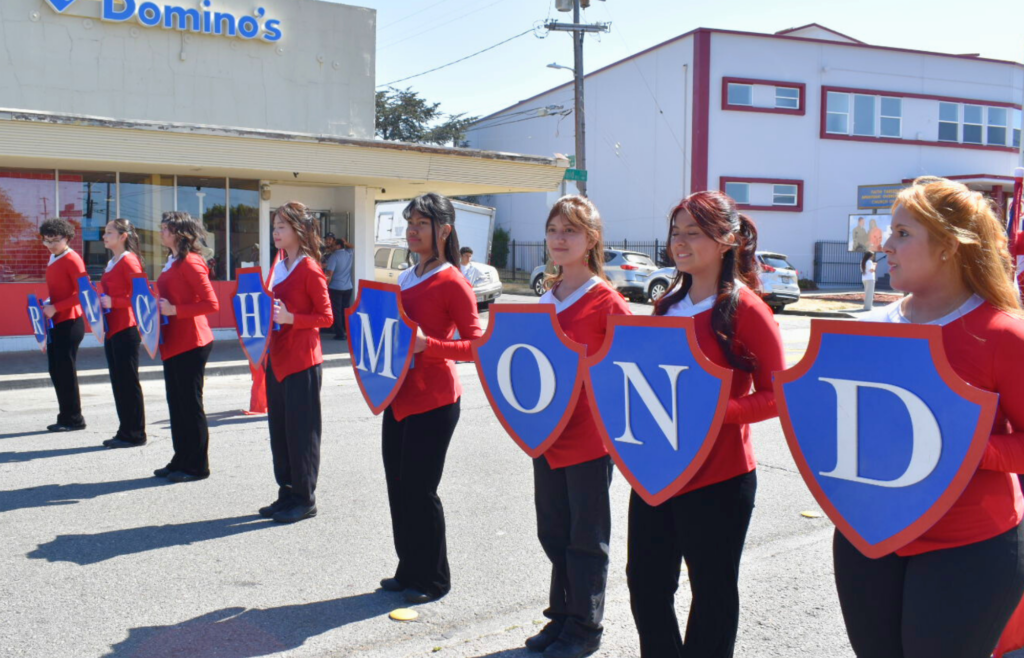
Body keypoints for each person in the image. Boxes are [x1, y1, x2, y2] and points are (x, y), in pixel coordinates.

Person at [840, 177, 1024, 657]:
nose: (885, 247)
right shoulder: (867, 328)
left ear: (947, 245)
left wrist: (960, 452)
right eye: (889, 232)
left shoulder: (1003, 334)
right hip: (868, 536)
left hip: (969, 546)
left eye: (903, 234)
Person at [628, 190, 785, 658]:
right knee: (646, 585)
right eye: (676, 232)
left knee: (712, 593)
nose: (680, 241)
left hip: (721, 477)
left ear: (727, 240)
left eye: (693, 232)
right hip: (657, 472)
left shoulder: (748, 310)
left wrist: (720, 414)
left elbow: (779, 397)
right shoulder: (664, 307)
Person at [524, 196, 631, 658]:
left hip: (588, 437)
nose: (559, 239)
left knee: (586, 537)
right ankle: (562, 616)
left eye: (570, 231)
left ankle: (585, 627)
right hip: (547, 436)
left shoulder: (609, 302)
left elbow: (627, 369)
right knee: (554, 532)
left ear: (591, 240)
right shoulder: (545, 298)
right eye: (553, 230)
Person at [378, 193, 483, 605]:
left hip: (435, 401)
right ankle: (408, 570)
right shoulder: (405, 277)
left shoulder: (453, 280)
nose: (413, 230)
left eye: (422, 223)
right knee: (398, 487)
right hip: (397, 396)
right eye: (410, 223)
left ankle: (434, 579)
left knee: (421, 491)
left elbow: (476, 344)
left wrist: (430, 345)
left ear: (444, 229)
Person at [260, 201, 334, 524]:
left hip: (302, 361)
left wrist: (293, 318)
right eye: (275, 227)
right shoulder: (280, 264)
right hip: (277, 359)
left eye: (282, 227)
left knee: (301, 433)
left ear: (299, 231)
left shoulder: (310, 268)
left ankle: (305, 498)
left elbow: (327, 317)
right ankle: (286, 492)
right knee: (280, 431)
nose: (276, 232)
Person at [154, 211, 220, 483]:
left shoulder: (192, 263)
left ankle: (197, 466)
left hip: (191, 341)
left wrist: (174, 310)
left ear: (180, 233)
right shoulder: (172, 261)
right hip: (173, 341)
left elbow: (211, 304)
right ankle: (181, 458)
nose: (161, 233)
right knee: (177, 404)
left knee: (190, 405)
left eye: (165, 229)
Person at [98, 219, 147, 448]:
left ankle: (135, 433)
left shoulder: (130, 261)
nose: (104, 236)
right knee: (119, 382)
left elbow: (141, 296)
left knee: (128, 382)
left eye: (109, 232)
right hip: (112, 328)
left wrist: (113, 301)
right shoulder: (113, 262)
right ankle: (124, 430)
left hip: (126, 328)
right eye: (104, 232)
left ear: (123, 236)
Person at [39, 218, 88, 432]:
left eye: (55, 240)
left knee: (65, 371)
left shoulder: (72, 259)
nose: (50, 244)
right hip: (58, 320)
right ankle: (65, 416)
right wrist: (51, 303)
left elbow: (83, 293)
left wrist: (56, 307)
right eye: (46, 240)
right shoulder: (54, 256)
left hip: (70, 321)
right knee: (56, 369)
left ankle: (74, 419)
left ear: (67, 238)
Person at [323, 234, 354, 340]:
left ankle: (340, 333)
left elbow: (329, 274)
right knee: (345, 310)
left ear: (339, 246)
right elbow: (353, 247)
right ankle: (347, 330)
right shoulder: (349, 253)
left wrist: (325, 288)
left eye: (334, 245)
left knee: (337, 311)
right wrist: (346, 243)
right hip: (348, 287)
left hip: (336, 287)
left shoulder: (334, 256)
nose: (332, 247)